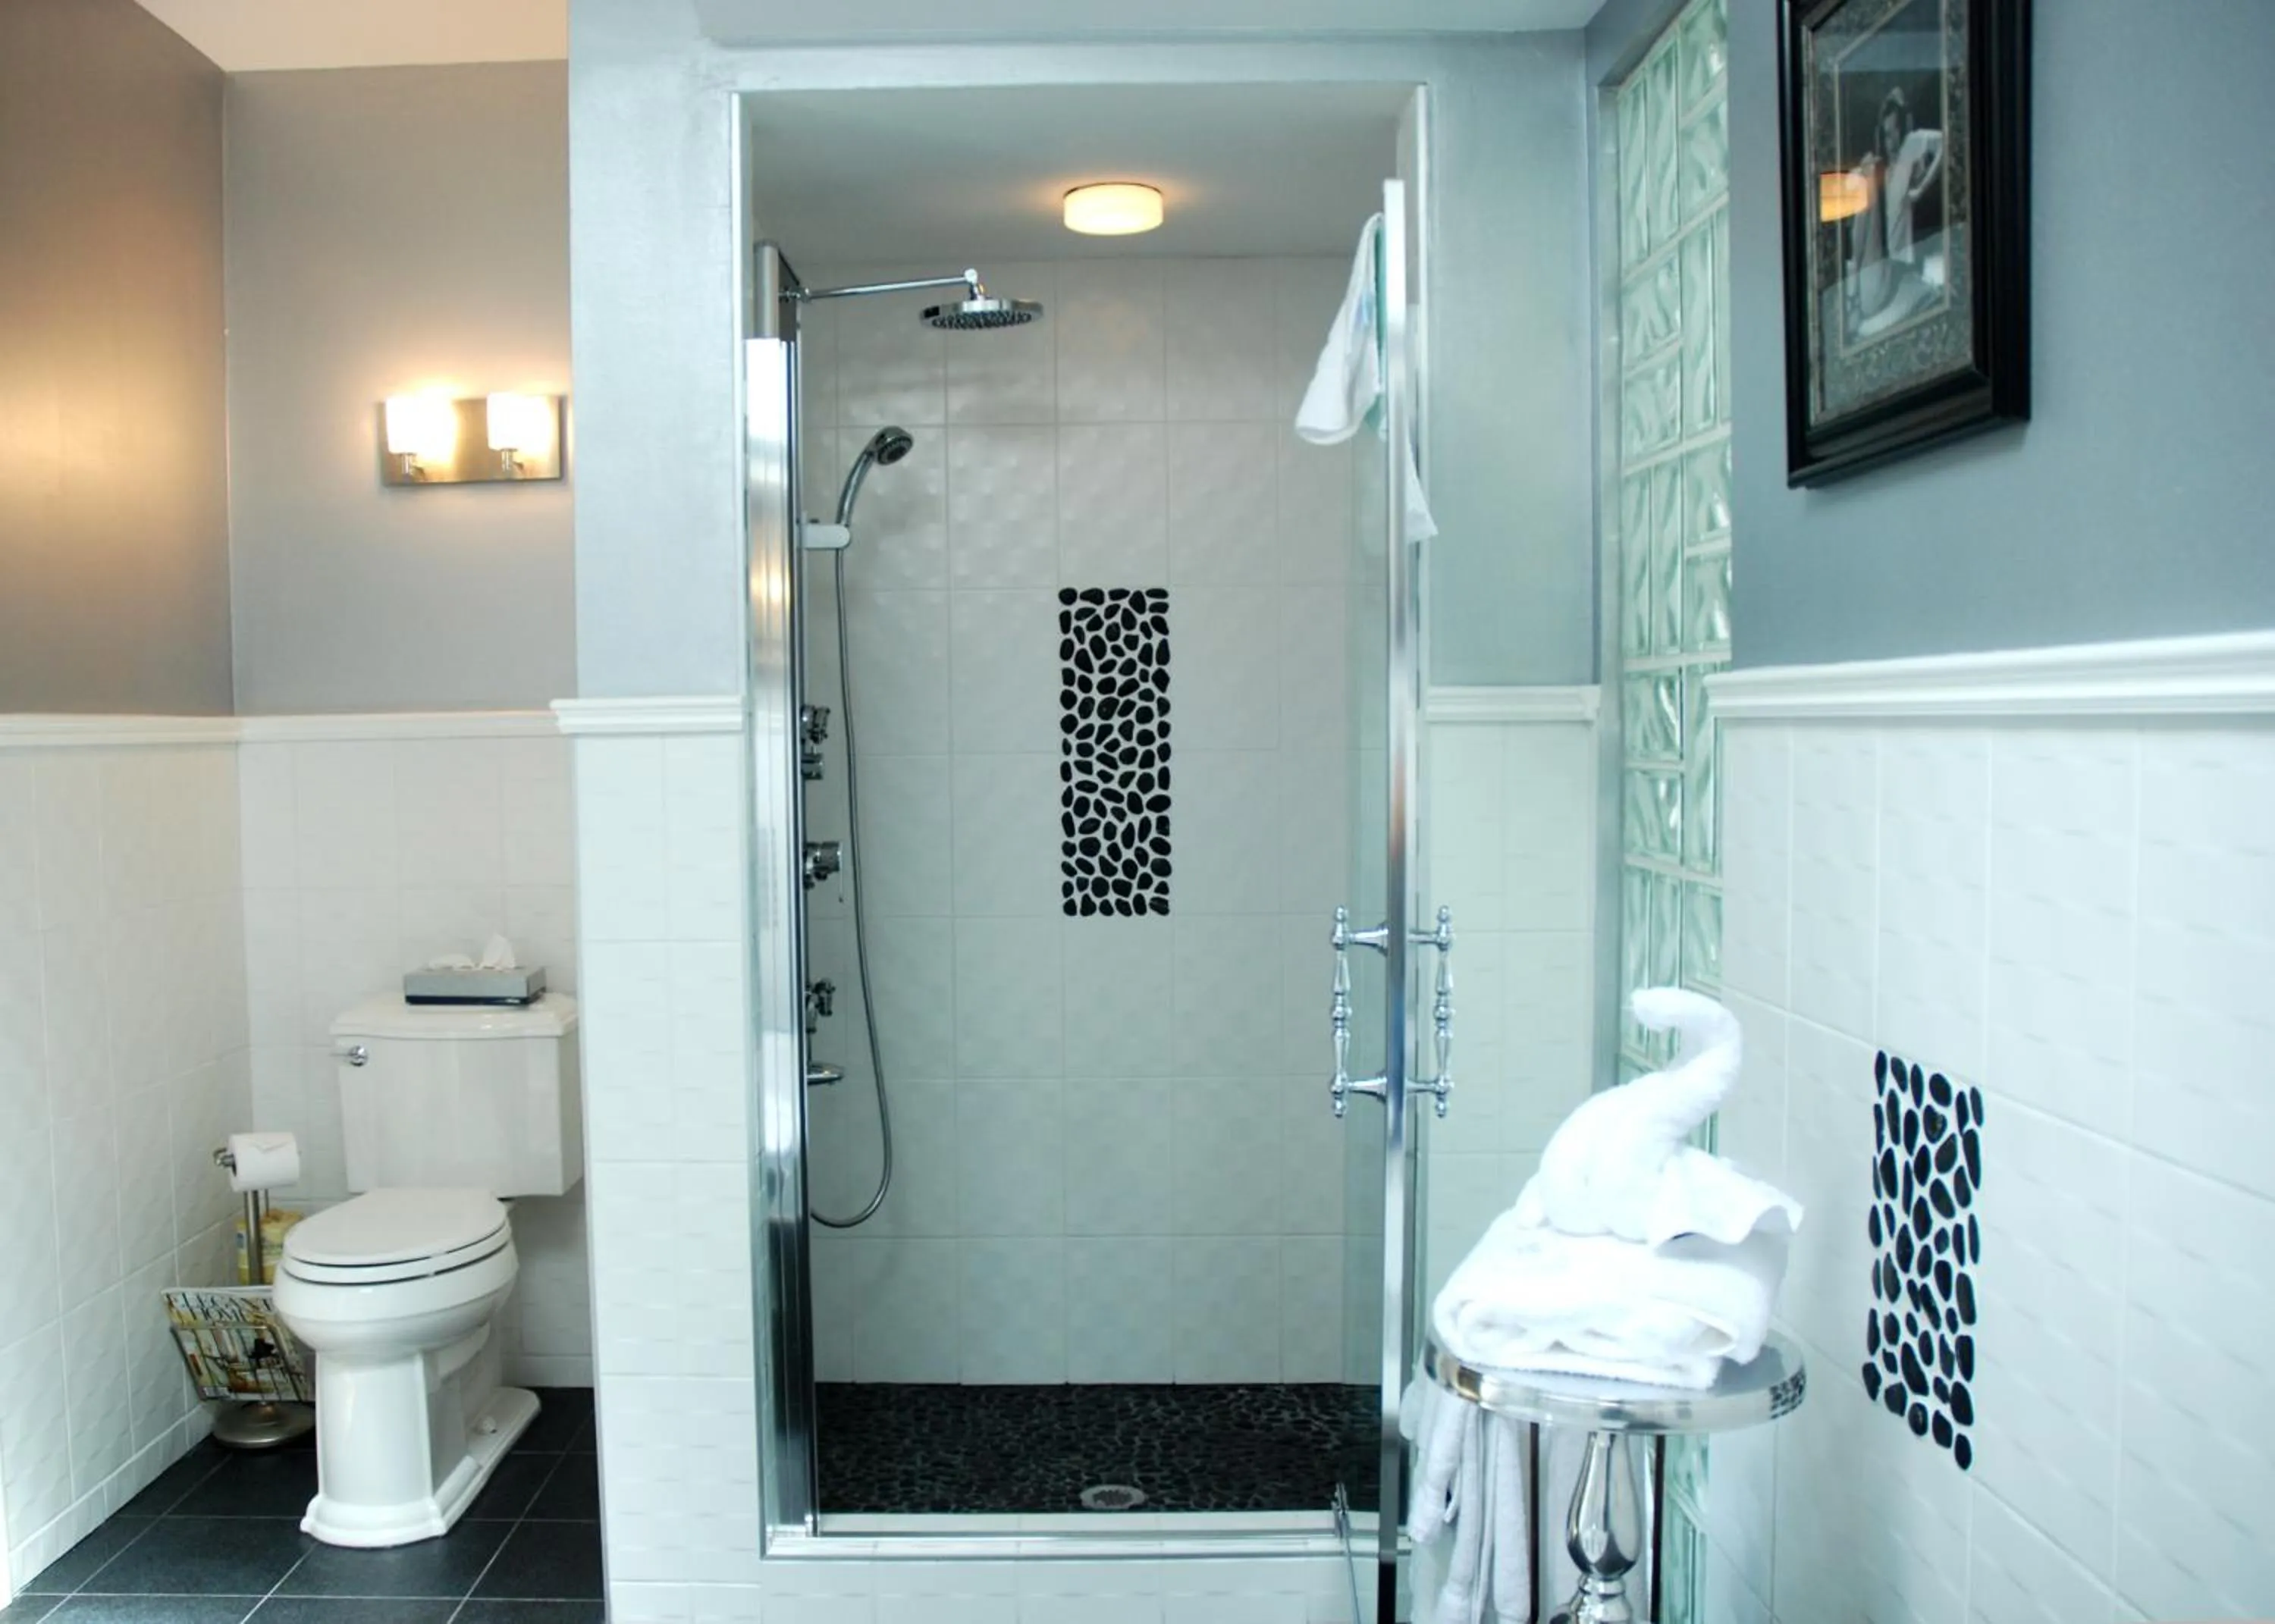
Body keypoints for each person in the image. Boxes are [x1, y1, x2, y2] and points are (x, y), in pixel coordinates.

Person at [1844, 86, 1946, 338]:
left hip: (1899, 265)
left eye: (1896, 131)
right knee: (1868, 174)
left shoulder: (1911, 146)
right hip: (1880, 263)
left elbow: (1945, 141)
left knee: (1868, 175)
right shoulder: (1885, 170)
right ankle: (1854, 287)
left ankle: (1853, 294)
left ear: (1904, 127)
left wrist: (1921, 188)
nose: (1892, 141)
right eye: (1887, 134)